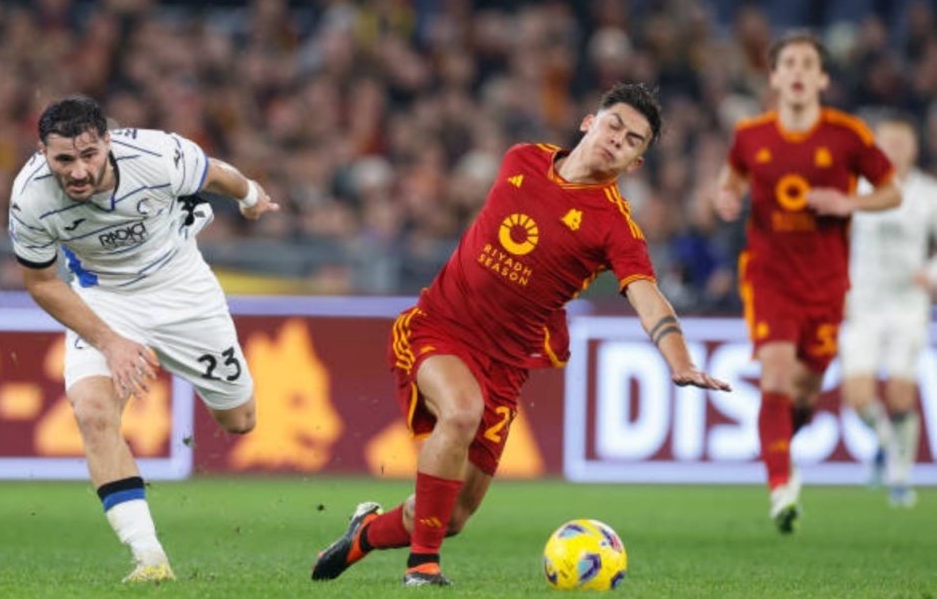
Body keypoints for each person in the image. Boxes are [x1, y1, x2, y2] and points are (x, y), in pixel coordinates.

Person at [311, 82, 731, 587]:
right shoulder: (522, 159)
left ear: (636, 163)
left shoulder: (615, 227)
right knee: (461, 410)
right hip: (440, 327)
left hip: (505, 367)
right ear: (589, 122)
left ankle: (364, 534)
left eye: (632, 140)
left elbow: (647, 295)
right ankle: (422, 568)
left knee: (451, 516)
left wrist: (679, 361)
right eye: (613, 125)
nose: (617, 140)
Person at [7, 96, 279, 582]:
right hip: (106, 299)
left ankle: (186, 362)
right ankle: (149, 558)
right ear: (43, 152)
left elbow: (216, 174)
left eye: (89, 155)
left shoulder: (157, 156)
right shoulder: (30, 197)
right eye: (64, 159)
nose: (78, 171)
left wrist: (251, 195)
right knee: (93, 413)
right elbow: (42, 282)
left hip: (183, 289)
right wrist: (111, 341)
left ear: (107, 142)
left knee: (239, 420)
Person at [713, 31, 901, 533]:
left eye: (807, 64)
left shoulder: (847, 135)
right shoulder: (751, 135)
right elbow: (731, 178)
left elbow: (892, 192)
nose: (797, 71)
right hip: (769, 276)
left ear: (822, 78)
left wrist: (849, 202)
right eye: (788, 64)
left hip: (826, 283)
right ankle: (781, 486)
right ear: (774, 77)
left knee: (804, 392)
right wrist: (726, 196)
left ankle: (784, 447)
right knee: (775, 377)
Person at [839, 114, 937, 508]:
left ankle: (899, 477)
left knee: (899, 396)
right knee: (858, 396)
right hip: (862, 303)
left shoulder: (928, 194)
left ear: (914, 148)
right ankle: (885, 444)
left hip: (907, 305)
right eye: (887, 144)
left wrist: (931, 273)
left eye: (901, 144)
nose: (894, 151)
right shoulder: (855, 188)